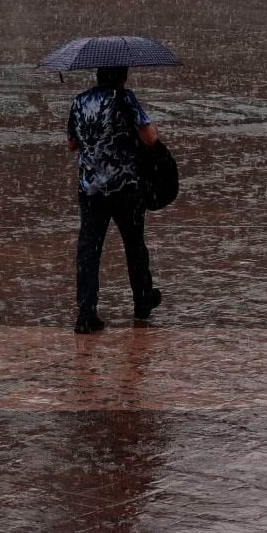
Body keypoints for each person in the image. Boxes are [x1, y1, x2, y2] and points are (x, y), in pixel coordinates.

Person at [66, 65, 161, 334]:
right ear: (123, 76)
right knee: (134, 245)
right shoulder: (125, 98)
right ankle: (142, 300)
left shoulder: (79, 101)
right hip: (125, 187)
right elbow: (150, 138)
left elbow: (71, 144)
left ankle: (86, 314)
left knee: (89, 251)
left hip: (91, 189)